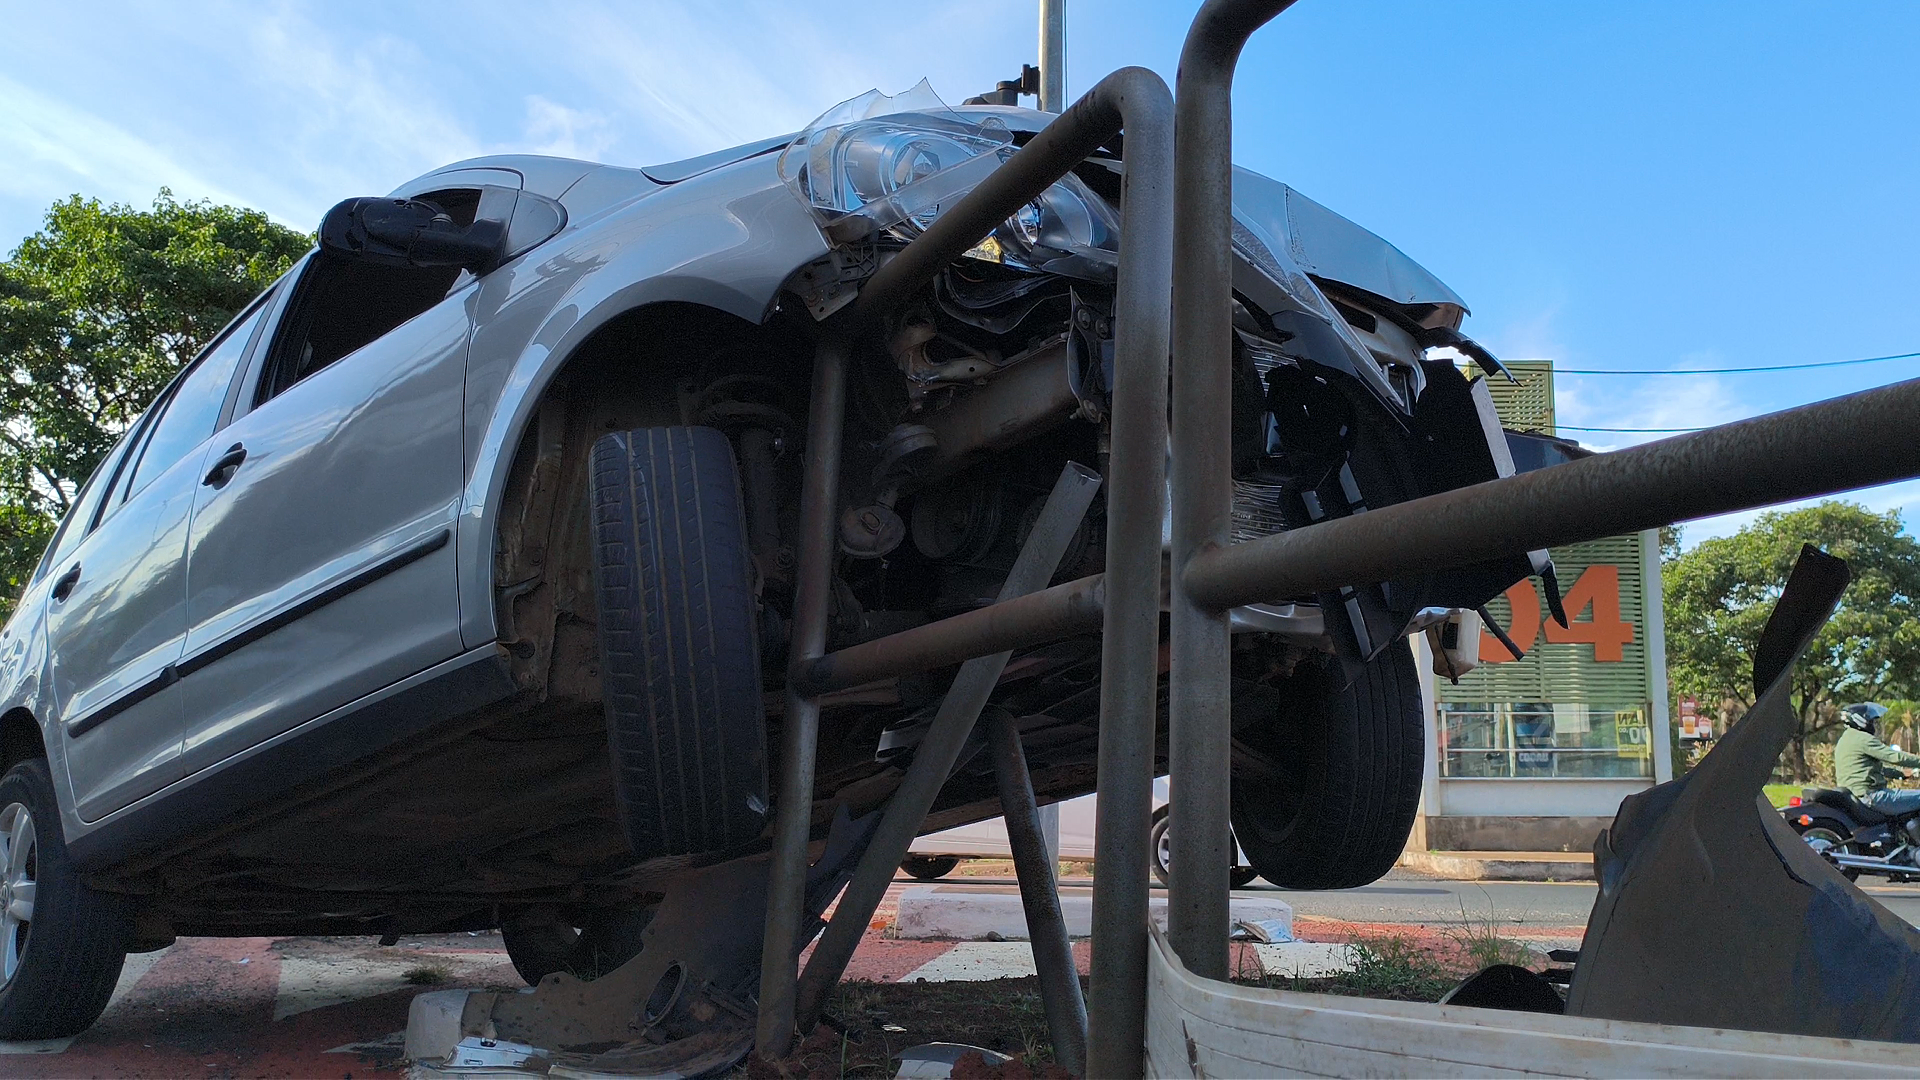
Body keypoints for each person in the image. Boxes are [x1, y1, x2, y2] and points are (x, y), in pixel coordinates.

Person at [1834, 703, 1920, 816]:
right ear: (1861, 720)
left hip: (1856, 795)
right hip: (1871, 796)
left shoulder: (1846, 738)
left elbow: (1868, 769)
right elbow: (1895, 757)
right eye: (1872, 721)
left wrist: (1900, 774)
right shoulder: (1863, 738)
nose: (1875, 725)